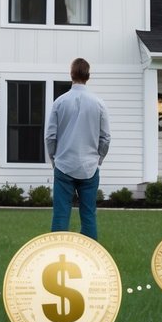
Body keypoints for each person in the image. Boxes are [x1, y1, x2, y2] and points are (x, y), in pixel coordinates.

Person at [46, 57, 110, 240]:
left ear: (71, 74)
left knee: (60, 215)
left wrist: (53, 158)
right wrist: (99, 158)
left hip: (64, 164)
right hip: (89, 166)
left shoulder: (59, 102)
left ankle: (56, 255)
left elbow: (50, 136)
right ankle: (90, 257)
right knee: (89, 215)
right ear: (88, 76)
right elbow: (105, 137)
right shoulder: (99, 103)